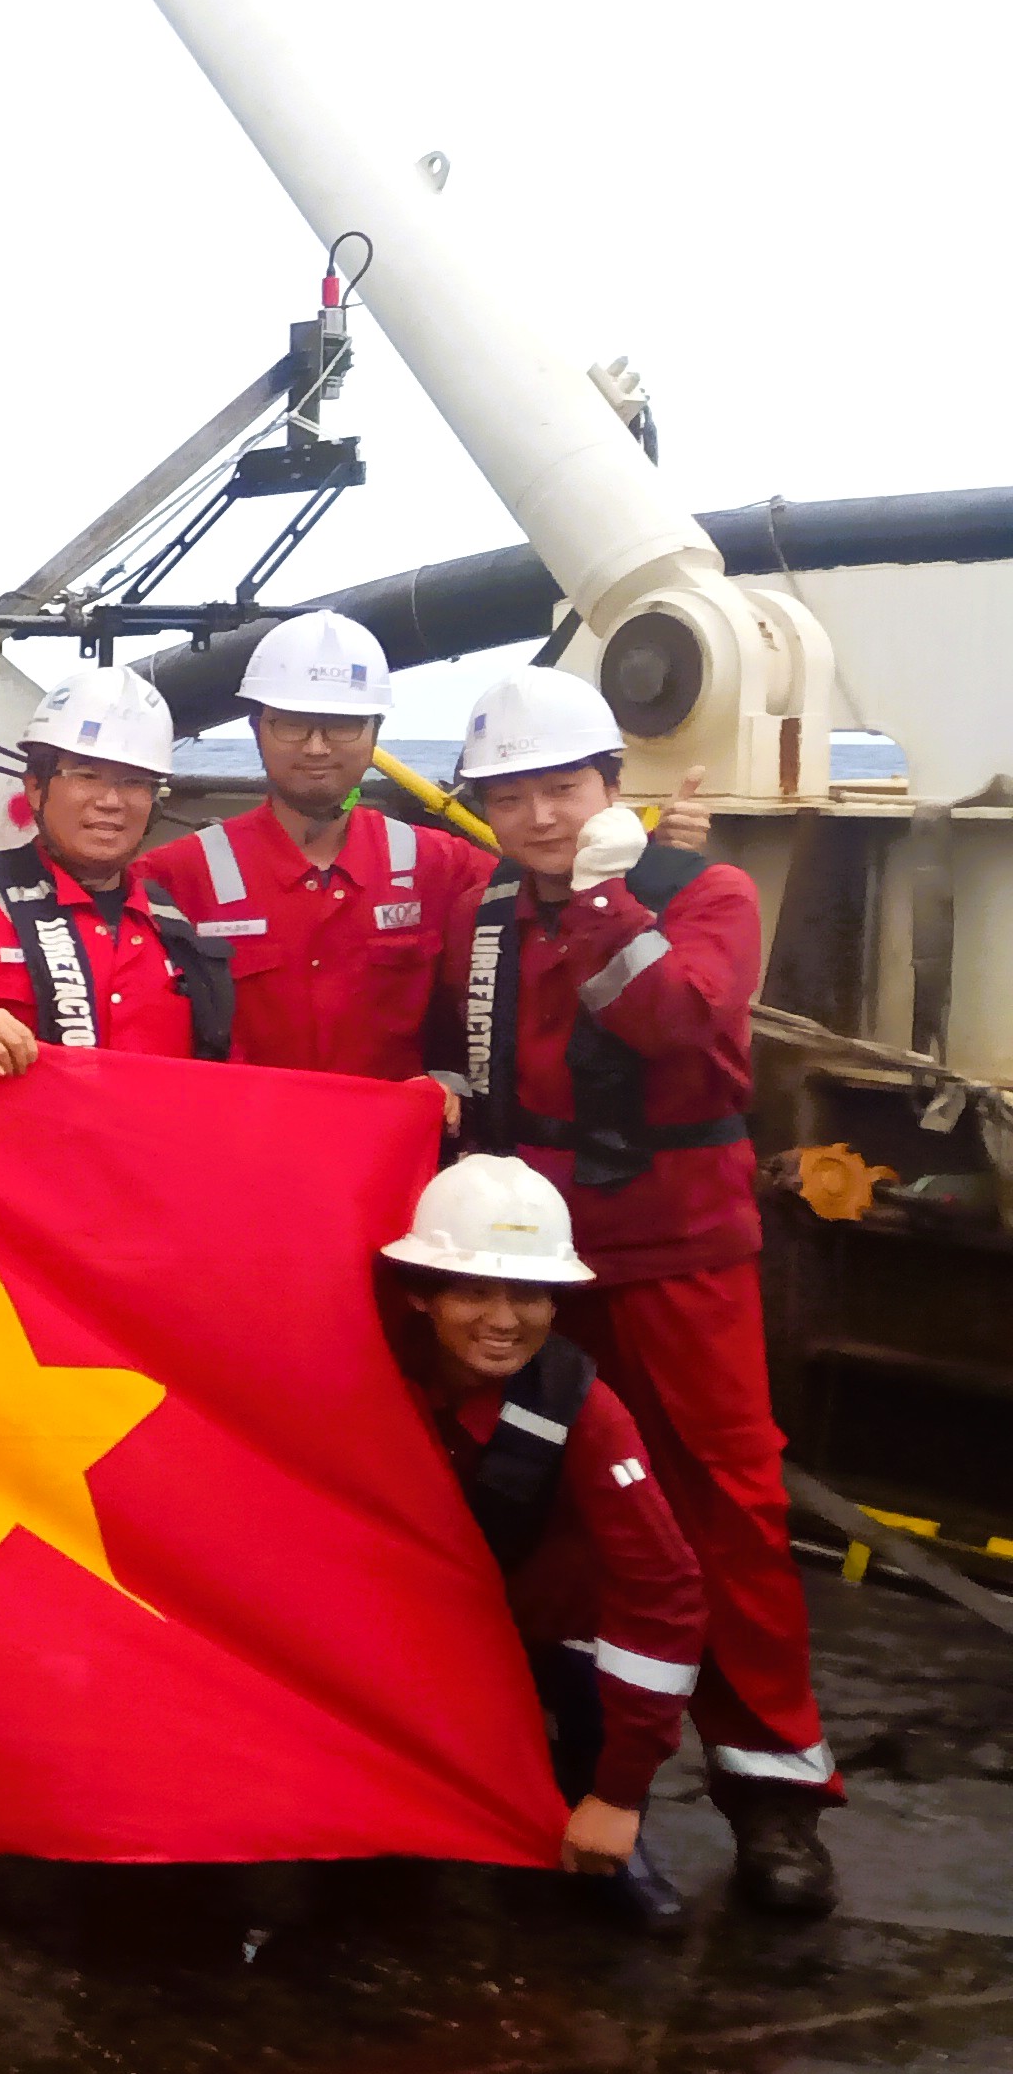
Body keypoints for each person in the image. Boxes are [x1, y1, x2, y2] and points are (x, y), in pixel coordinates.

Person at [423, 665, 836, 1918]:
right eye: (510, 798)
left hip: (673, 1254)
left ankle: (771, 1795)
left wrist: (607, 898)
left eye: (561, 788)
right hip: (532, 1260)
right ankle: (575, 1769)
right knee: (539, 1507)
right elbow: (464, 1056)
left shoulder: (702, 893)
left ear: (612, 784)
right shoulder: (483, 915)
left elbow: (681, 1025)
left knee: (724, 1507)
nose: (538, 818)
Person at [377, 1156, 706, 1934]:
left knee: (591, 1662)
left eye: (528, 1293)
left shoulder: (583, 1412)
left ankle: (592, 1818)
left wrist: (618, 1794)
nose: (504, 1318)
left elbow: (665, 1591)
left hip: (541, 1637)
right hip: (399, 1631)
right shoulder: (366, 1371)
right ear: (421, 1293)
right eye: (474, 1291)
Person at [127, 610, 491, 1076]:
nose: (316, 747)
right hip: (246, 1121)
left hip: (395, 1123)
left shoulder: (441, 866)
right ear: (256, 728)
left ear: (375, 732)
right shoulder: (175, 876)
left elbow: (543, 905)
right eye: (292, 724)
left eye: (341, 725)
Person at [0, 666, 232, 1068]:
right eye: (87, 775)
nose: (111, 801)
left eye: (134, 781)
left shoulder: (177, 926)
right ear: (35, 787)